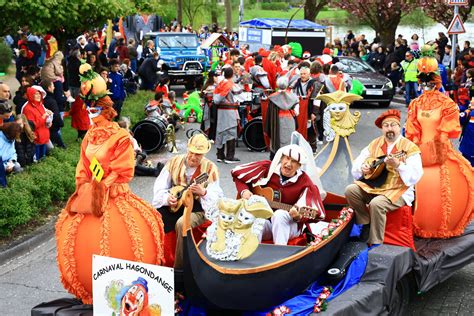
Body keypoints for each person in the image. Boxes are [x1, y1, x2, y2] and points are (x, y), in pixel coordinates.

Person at [55, 69, 164, 304]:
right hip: (92, 192)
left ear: (106, 110)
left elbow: (123, 170)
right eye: (88, 110)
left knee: (126, 239)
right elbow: (83, 166)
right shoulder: (89, 137)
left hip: (113, 193)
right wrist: (85, 188)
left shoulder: (120, 137)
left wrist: (102, 186)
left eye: (95, 110)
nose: (91, 115)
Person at [405, 53, 474, 238]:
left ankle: (441, 225)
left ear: (436, 82)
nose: (425, 87)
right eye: (422, 83)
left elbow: (448, 129)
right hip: (419, 151)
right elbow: (412, 129)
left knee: (442, 187)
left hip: (439, 151)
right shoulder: (416, 104)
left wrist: (437, 148)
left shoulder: (447, 104)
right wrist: (414, 150)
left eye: (429, 83)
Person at [345, 110, 423, 245]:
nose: (390, 128)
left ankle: (376, 242)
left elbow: (415, 176)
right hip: (376, 187)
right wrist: (363, 168)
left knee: (377, 204)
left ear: (400, 127)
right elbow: (358, 164)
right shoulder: (375, 144)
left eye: (393, 125)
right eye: (386, 125)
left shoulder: (410, 147)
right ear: (382, 129)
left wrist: (399, 165)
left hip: (399, 190)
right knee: (350, 190)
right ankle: (364, 222)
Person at [152, 133, 223, 269]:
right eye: (192, 152)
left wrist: (203, 192)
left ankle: (180, 267)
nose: (193, 157)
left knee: (181, 224)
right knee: (154, 217)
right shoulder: (174, 162)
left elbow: (217, 196)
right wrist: (168, 199)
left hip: (197, 208)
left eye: (198, 154)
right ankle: (156, 261)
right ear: (187, 149)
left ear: (204, 154)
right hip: (175, 203)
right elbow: (160, 187)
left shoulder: (210, 169)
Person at [231, 144, 325, 245]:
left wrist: (298, 216)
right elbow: (237, 173)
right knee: (256, 220)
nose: (288, 164)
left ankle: (280, 254)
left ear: (299, 166)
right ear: (281, 158)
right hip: (267, 223)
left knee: (279, 215)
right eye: (287, 158)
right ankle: (252, 253)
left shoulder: (305, 182)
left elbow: (317, 214)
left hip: (289, 226)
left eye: (293, 161)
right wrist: (244, 191)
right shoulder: (268, 168)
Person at [213, 67, 242, 163]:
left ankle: (220, 155)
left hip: (221, 111)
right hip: (230, 111)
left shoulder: (220, 83)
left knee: (220, 132)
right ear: (232, 75)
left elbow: (216, 99)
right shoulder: (230, 84)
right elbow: (239, 97)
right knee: (231, 131)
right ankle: (230, 156)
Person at [266, 76, 298, 158]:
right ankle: (289, 157)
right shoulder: (293, 97)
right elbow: (297, 113)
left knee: (277, 139)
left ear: (277, 85)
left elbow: (269, 113)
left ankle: (276, 158)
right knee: (289, 140)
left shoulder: (272, 97)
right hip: (290, 120)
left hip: (277, 121)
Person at [22, 86, 52, 160]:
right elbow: (31, 126)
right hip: (36, 139)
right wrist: (43, 117)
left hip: (44, 136)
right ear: (31, 95)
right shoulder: (27, 109)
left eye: (39, 94)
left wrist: (49, 121)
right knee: (37, 160)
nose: (38, 96)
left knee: (43, 158)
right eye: (36, 94)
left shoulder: (40, 105)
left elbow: (44, 121)